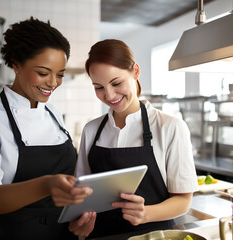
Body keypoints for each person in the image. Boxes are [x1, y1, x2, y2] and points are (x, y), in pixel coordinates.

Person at [0, 17, 93, 239]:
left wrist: (81, 218)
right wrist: (45, 185)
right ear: (16, 63)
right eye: (43, 73)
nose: (52, 83)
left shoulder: (54, 114)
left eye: (60, 74)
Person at [72, 39, 198, 238]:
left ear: (136, 72)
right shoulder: (91, 130)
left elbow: (183, 200)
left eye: (116, 83)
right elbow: (82, 196)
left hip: (154, 236)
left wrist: (145, 214)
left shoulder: (170, 127)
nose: (109, 95)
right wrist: (79, 222)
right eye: (99, 87)